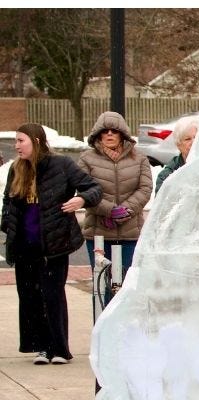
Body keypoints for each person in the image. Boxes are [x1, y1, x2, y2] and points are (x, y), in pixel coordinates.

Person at [2, 124, 101, 365]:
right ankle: (41, 347)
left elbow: (93, 188)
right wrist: (7, 222)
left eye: (21, 140)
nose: (16, 146)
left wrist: (81, 199)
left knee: (52, 295)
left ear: (36, 141)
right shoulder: (16, 168)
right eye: (16, 141)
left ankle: (59, 349)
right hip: (24, 244)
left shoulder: (62, 165)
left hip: (53, 244)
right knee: (30, 297)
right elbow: (8, 200)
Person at [76, 111, 153, 273]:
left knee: (126, 281)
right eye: (105, 130)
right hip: (98, 234)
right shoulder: (86, 159)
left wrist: (125, 210)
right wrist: (109, 211)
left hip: (130, 233)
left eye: (114, 130)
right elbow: (84, 190)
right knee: (101, 283)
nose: (109, 134)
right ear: (98, 134)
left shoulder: (140, 159)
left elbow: (145, 188)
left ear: (122, 134)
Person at [155, 114, 199, 194]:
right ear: (178, 145)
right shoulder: (166, 176)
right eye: (187, 139)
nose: (193, 142)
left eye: (196, 137)